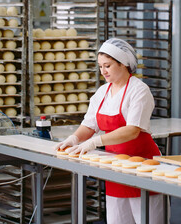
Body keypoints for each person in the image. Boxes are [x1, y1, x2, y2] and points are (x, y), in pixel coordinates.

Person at [55, 38, 164, 224]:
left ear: (123, 64)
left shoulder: (139, 91)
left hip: (142, 165)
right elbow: (89, 125)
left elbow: (132, 130)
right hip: (115, 168)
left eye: (108, 65)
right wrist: (74, 139)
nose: (103, 71)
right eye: (100, 66)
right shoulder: (102, 92)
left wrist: (94, 142)